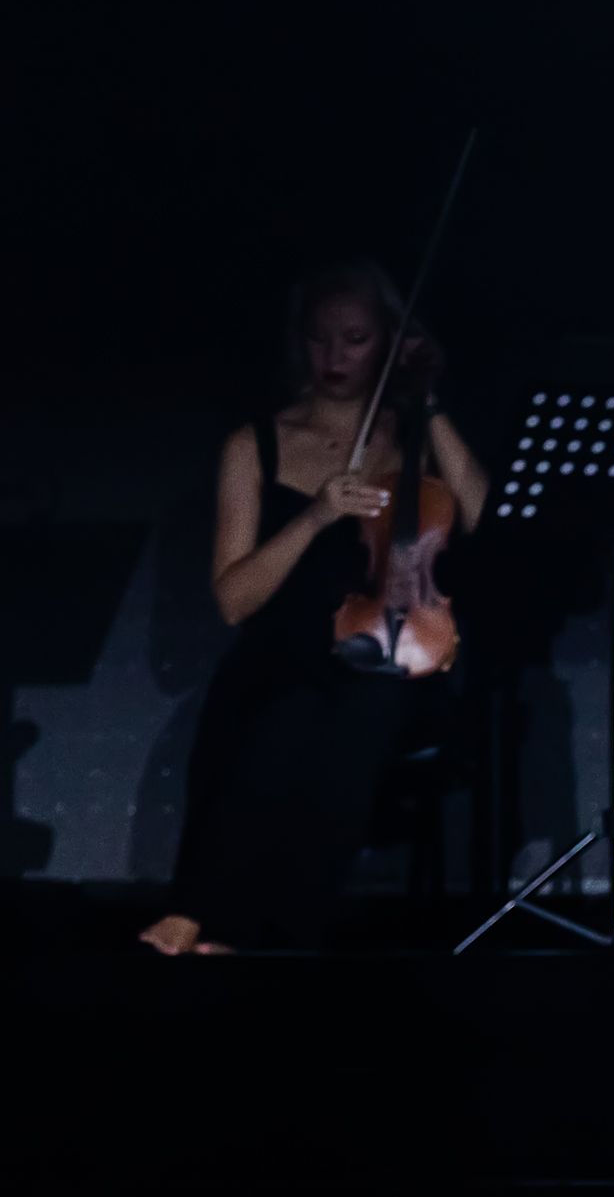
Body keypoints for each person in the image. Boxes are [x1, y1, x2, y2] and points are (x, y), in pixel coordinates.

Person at [140, 260, 489, 954]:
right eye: (320, 338)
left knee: (358, 703)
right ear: (298, 341)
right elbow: (234, 602)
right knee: (282, 702)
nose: (335, 356)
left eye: (356, 339)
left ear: (388, 341)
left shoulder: (411, 435)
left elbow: (483, 519)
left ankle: (231, 919)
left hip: (393, 652)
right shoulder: (255, 444)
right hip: (282, 653)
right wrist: (315, 516)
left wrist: (428, 402)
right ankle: (234, 920)